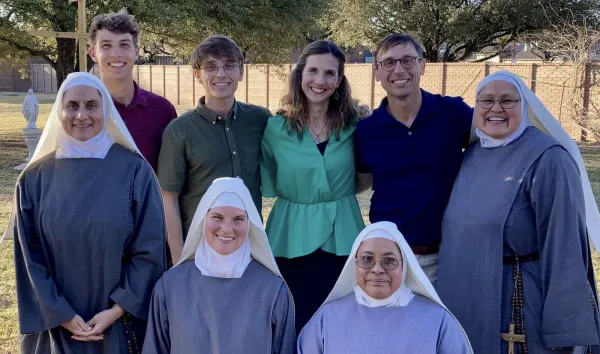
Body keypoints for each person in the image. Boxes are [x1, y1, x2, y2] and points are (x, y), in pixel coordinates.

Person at [437, 71, 600, 354]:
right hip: (470, 298)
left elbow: (565, 248)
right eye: (486, 101)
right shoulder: (473, 155)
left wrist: (566, 330)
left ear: (524, 106)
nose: (496, 109)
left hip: (519, 303)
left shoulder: (548, 158)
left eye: (507, 100)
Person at [10, 72, 167, 354]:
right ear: (60, 110)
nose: (81, 115)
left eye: (92, 105)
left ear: (105, 109)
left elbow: (150, 248)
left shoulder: (135, 172)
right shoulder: (34, 179)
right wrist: (62, 314)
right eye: (72, 105)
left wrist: (118, 309)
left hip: (120, 325)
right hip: (55, 325)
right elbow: (28, 258)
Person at [261, 40, 366, 330]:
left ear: (339, 80)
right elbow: (271, 176)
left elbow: (364, 176)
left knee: (341, 322)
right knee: (294, 320)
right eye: (313, 71)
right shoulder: (275, 128)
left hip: (343, 235)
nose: (320, 81)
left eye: (330, 73)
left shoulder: (356, 125)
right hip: (290, 236)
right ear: (300, 75)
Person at [353, 33, 475, 285]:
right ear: (377, 72)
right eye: (388, 63)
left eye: (407, 60)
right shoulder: (367, 131)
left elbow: (497, 139)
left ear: (422, 65)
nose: (398, 69)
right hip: (389, 259)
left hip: (447, 256)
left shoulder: (453, 114)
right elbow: (361, 181)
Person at [143, 177, 295, 353]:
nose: (227, 228)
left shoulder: (273, 290)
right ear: (203, 219)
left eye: (238, 219)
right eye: (217, 217)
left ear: (250, 224)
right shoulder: (170, 286)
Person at [158, 35, 271, 263]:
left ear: (241, 72)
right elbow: (168, 198)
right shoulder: (179, 130)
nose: (221, 74)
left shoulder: (260, 120)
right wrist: (180, 259)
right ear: (198, 75)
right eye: (211, 67)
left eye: (230, 66)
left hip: (249, 248)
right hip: (198, 251)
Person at [298, 221, 472, 353]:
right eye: (367, 259)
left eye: (389, 260)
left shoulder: (438, 320)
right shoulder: (326, 319)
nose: (377, 270)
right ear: (354, 263)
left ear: (404, 267)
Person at [88, 11, 177, 171]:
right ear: (93, 53)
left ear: (136, 51)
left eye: (124, 45)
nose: (116, 54)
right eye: (106, 45)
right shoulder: (82, 114)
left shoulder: (163, 111)